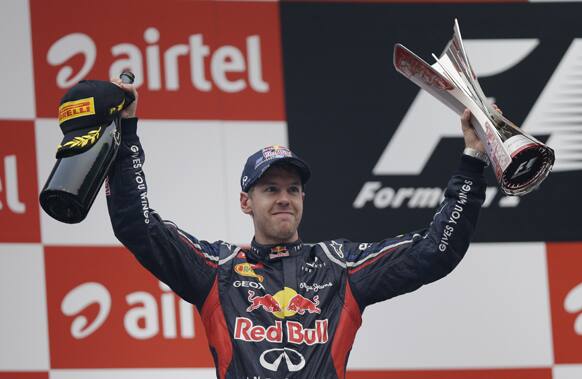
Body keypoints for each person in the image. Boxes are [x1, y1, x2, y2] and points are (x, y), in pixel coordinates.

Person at [106, 78, 487, 379]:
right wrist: (126, 135)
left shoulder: (340, 266)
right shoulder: (217, 268)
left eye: (293, 189)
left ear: (303, 199)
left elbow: (436, 251)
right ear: (246, 202)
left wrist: (472, 159)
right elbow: (138, 227)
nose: (284, 198)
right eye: (270, 189)